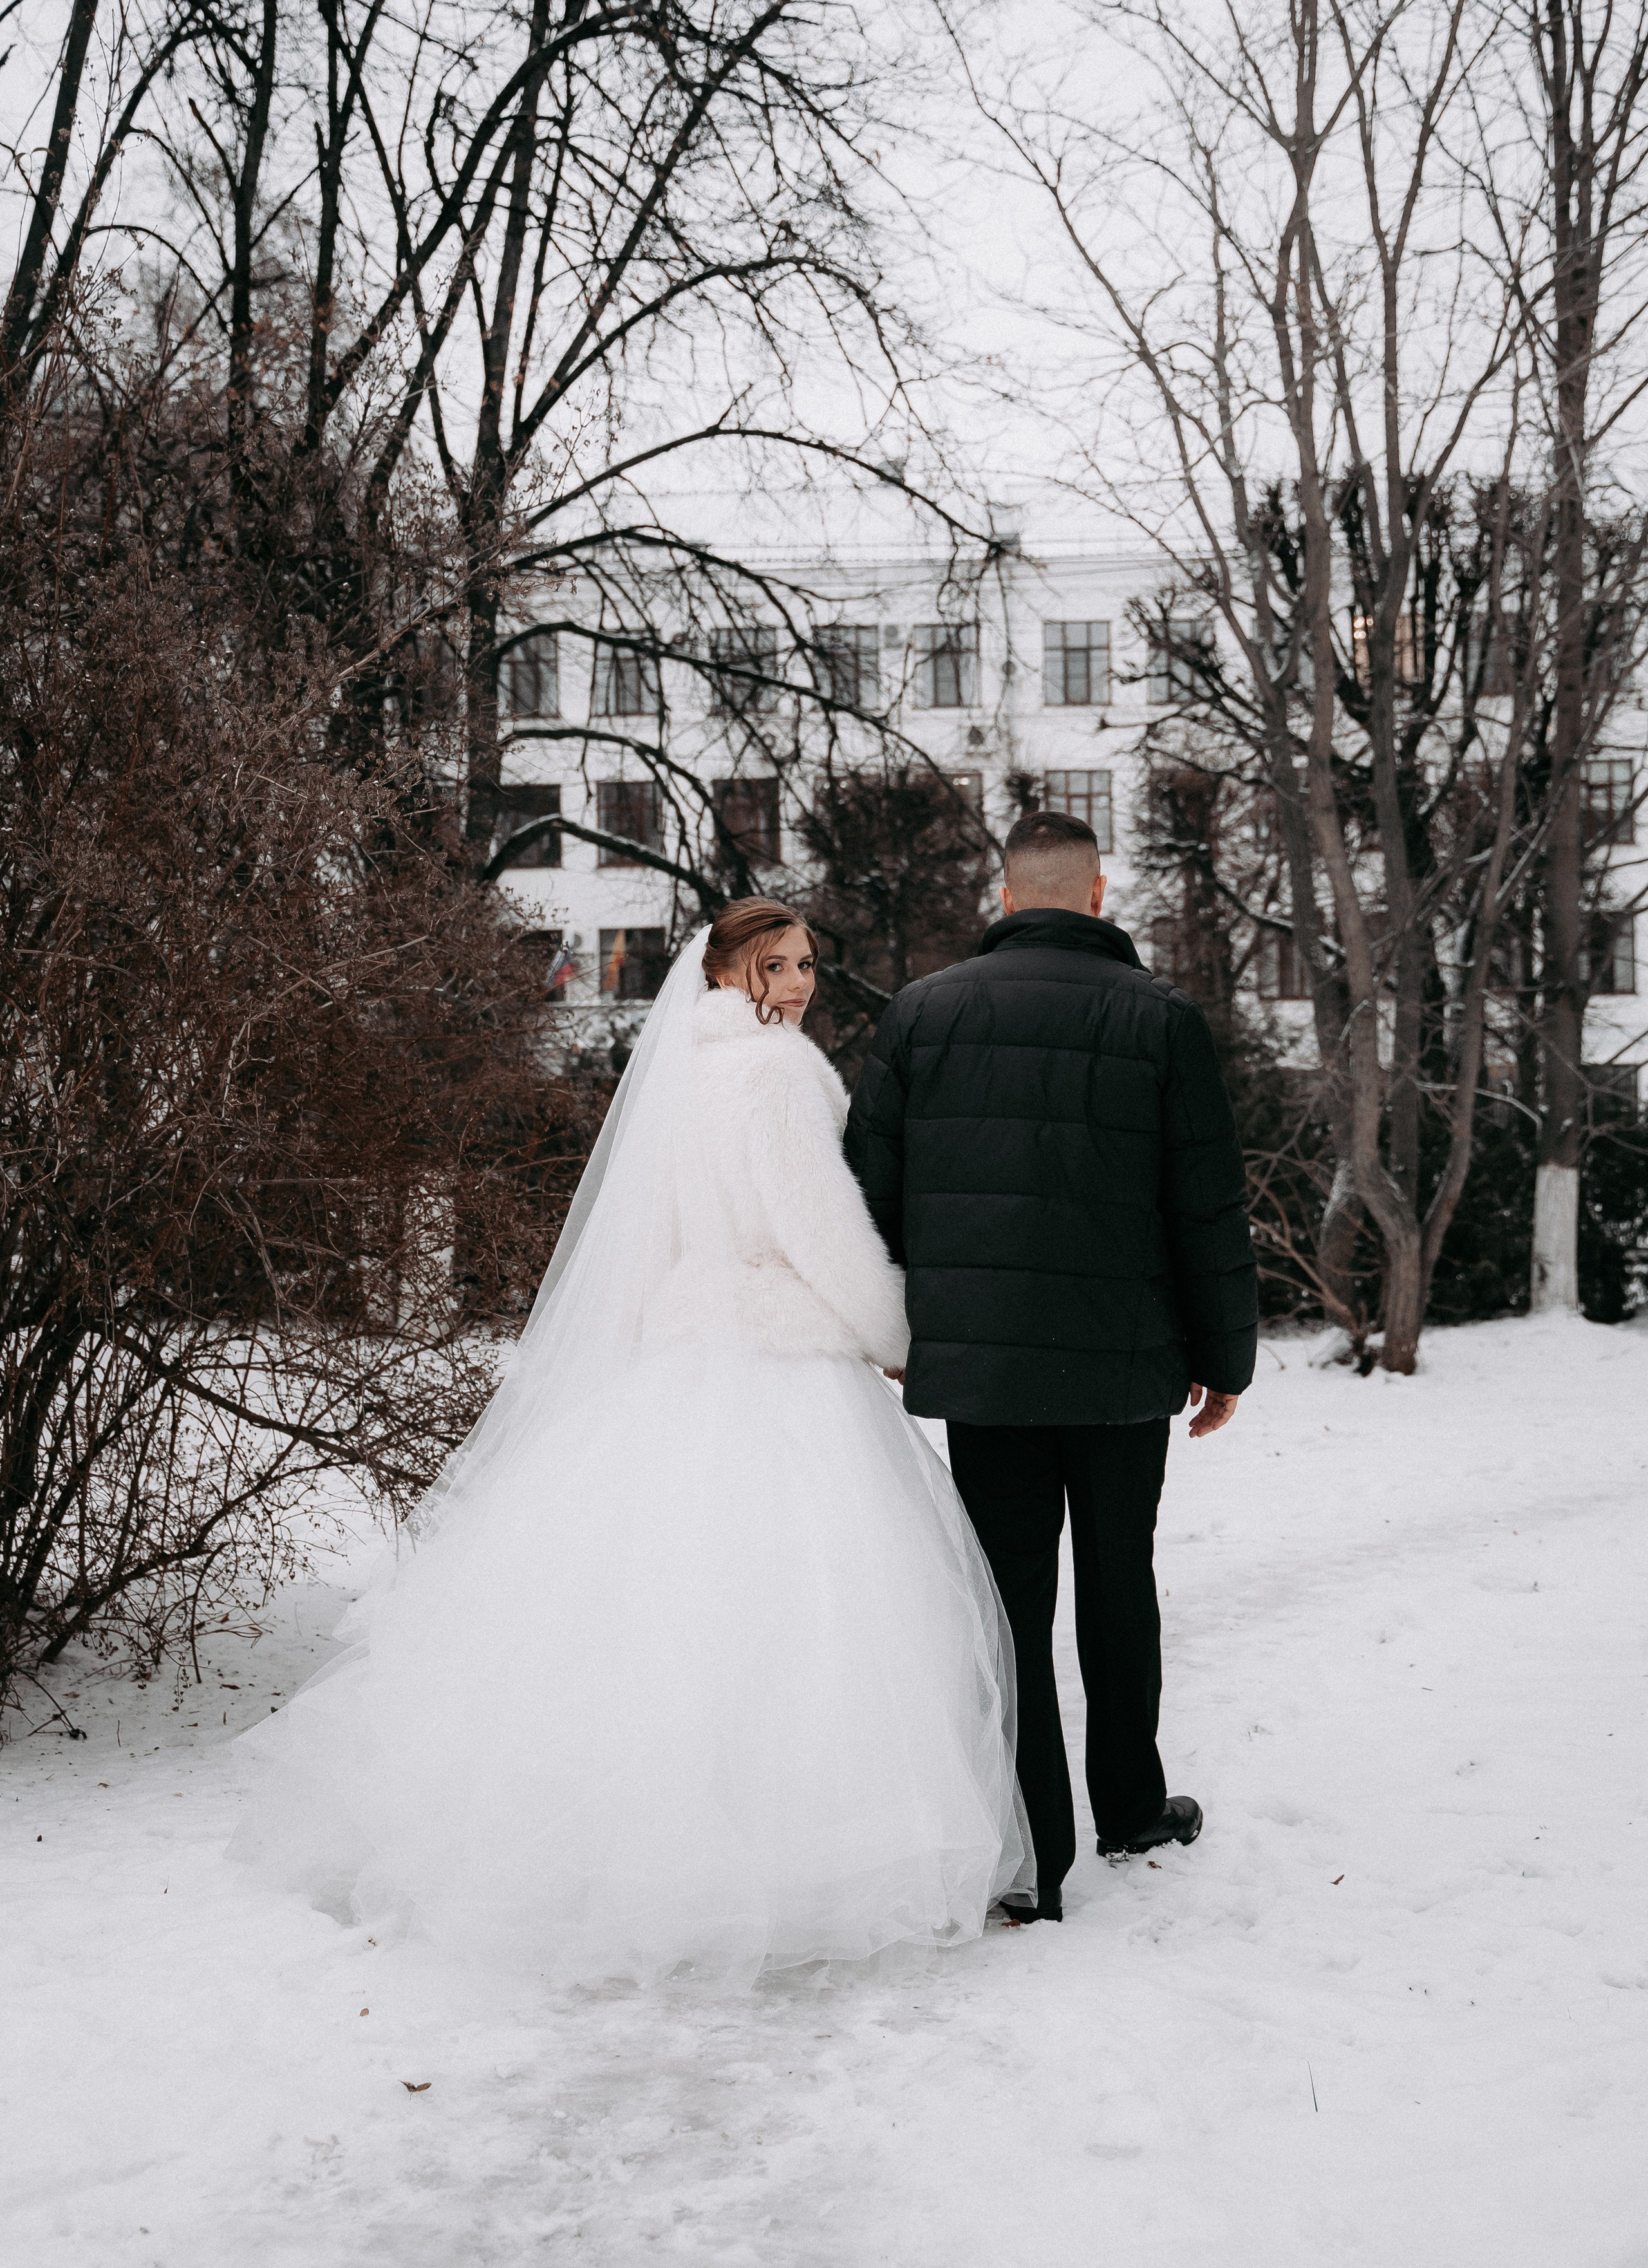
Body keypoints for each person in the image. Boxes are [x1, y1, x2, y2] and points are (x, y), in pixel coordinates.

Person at [232, 901, 1029, 1985]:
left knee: (662, 1605)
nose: (798, 985)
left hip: (685, 1355)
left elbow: (652, 1242)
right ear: (727, 972)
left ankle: (634, 1843)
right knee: (803, 1611)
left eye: (805, 965)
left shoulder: (681, 1080)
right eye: (776, 965)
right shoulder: (775, 1077)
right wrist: (893, 1332)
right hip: (782, 1365)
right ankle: (792, 1851)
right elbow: (818, 1229)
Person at [845, 810, 1258, 1925]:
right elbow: (1206, 1203)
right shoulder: (1164, 1019)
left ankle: (1033, 1852)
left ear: (1005, 890)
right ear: (1097, 893)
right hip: (1126, 1371)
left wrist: (895, 1331)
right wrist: (1226, 1361)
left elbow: (864, 1198)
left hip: (983, 1374)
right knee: (1119, 1586)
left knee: (1006, 1602)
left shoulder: (922, 1013)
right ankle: (1130, 1807)